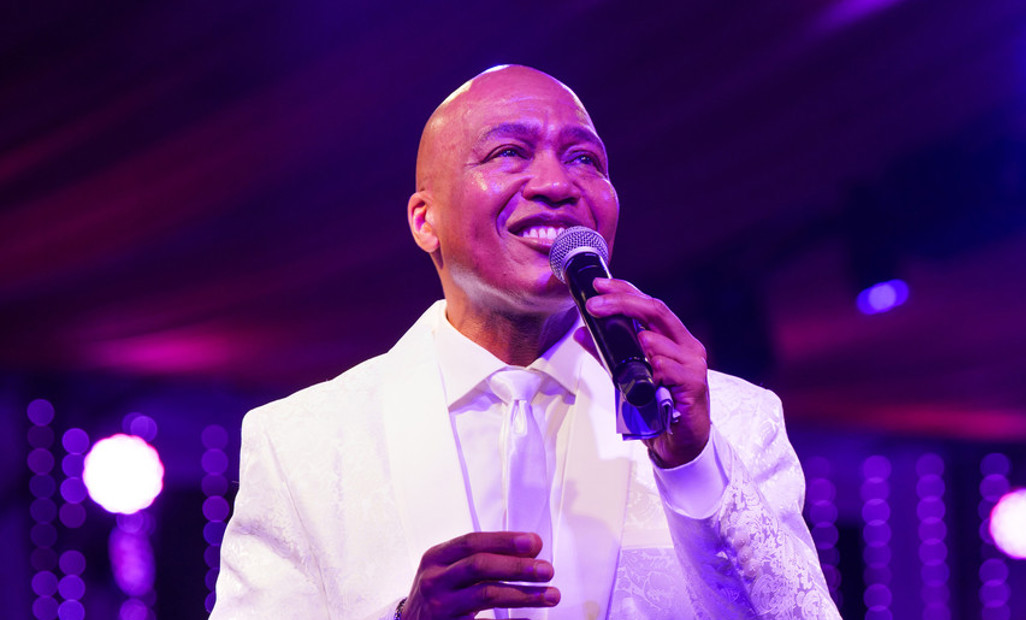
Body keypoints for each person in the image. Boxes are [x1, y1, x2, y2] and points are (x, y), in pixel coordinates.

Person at [212, 65, 840, 619]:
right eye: (509, 153)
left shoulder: (732, 420)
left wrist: (693, 464)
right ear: (425, 221)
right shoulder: (303, 441)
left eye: (584, 159)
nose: (557, 184)